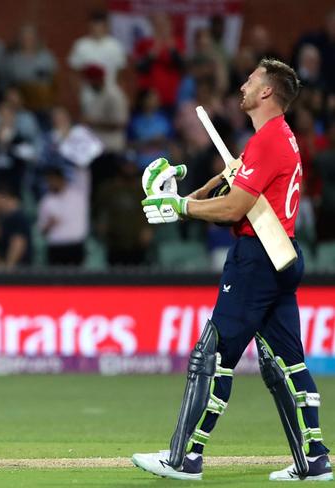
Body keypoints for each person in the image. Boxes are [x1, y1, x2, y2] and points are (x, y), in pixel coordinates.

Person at [134, 59, 332, 481]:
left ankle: (184, 457)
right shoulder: (280, 138)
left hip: (256, 258)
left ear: (266, 93)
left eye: (250, 80)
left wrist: (180, 208)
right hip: (283, 254)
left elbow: (233, 207)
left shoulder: (268, 142)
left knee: (213, 356)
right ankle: (313, 457)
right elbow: (230, 179)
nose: (242, 85)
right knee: (288, 363)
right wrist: (187, 192)